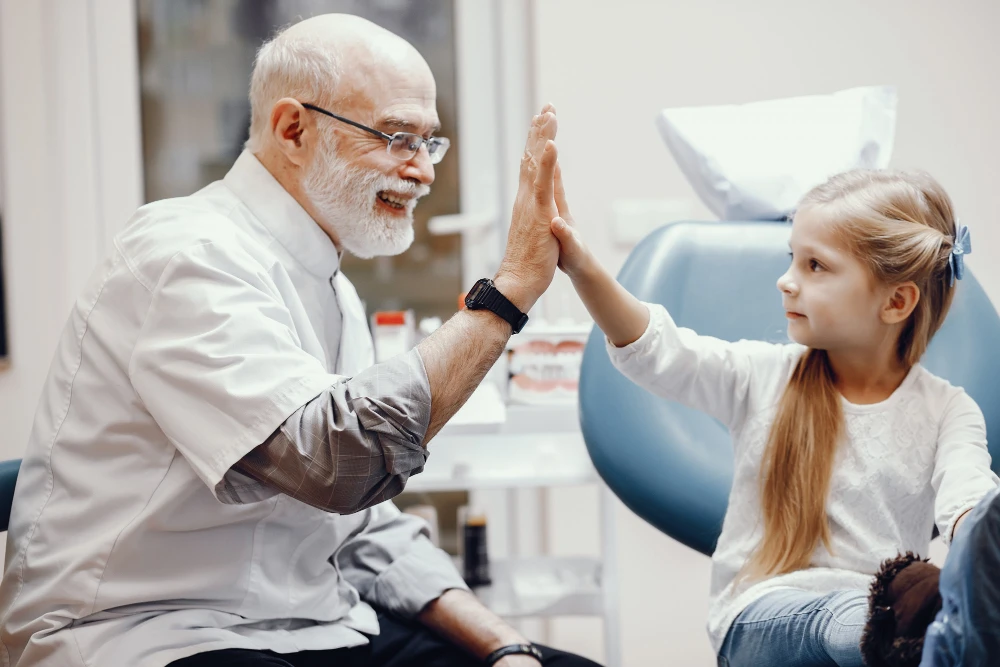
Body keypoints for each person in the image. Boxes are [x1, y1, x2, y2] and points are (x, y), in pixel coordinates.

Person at [0, 14, 599, 667]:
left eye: (431, 143)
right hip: (145, 631)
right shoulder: (185, 255)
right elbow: (338, 462)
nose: (423, 171)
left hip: (311, 626)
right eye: (398, 137)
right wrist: (506, 293)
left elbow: (364, 528)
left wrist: (506, 647)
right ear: (294, 129)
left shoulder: (332, 288)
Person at [547, 167, 998, 666]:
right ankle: (919, 626)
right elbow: (661, 352)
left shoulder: (948, 411)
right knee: (844, 621)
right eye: (792, 260)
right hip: (761, 621)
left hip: (887, 628)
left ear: (895, 301)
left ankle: (929, 630)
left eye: (815, 266)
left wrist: (979, 548)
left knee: (924, 625)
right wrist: (583, 267)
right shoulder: (763, 377)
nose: (786, 282)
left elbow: (969, 501)